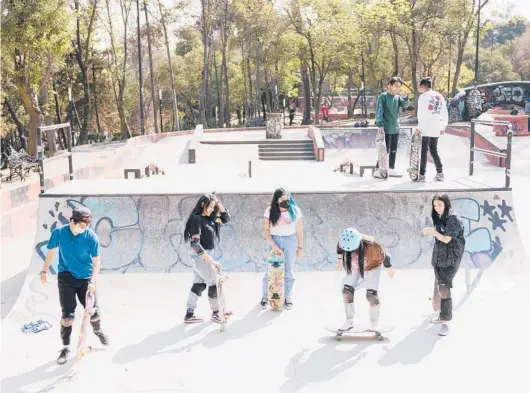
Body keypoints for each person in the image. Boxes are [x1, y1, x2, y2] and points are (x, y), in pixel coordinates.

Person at [40, 206, 109, 365]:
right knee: (67, 318)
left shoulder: (91, 237)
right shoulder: (59, 233)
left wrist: (92, 281)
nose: (84, 229)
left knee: (94, 313)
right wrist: (44, 271)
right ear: (72, 221)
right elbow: (51, 252)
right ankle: (65, 348)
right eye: (81, 226)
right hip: (66, 277)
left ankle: (98, 331)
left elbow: (96, 261)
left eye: (87, 226)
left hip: (86, 279)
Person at [183, 193, 231, 323]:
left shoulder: (210, 218)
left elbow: (226, 218)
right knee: (213, 282)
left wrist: (218, 202)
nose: (212, 209)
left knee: (199, 284)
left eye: (213, 207)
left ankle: (189, 314)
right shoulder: (197, 219)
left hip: (205, 256)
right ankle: (216, 312)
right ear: (203, 205)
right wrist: (212, 261)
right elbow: (195, 245)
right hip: (200, 256)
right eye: (210, 206)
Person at [423, 193, 465, 336]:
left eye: (440, 205)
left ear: (447, 204)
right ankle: (442, 314)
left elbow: (447, 239)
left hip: (451, 259)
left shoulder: (453, 219)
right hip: (439, 258)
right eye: (435, 205)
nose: (437, 208)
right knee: (441, 287)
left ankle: (446, 323)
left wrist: (432, 232)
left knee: (444, 289)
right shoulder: (439, 217)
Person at [336, 228, 395, 332]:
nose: (352, 252)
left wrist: (389, 269)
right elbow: (339, 249)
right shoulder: (343, 240)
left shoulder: (372, 246)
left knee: (371, 295)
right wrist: (339, 261)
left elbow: (385, 256)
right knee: (346, 291)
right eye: (350, 251)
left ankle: (374, 322)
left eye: (354, 249)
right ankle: (349, 321)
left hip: (373, 266)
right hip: (355, 266)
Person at [261, 188, 303, 310]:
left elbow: (300, 230)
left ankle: (287, 297)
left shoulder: (295, 211)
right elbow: (266, 229)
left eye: (287, 198)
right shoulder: (269, 211)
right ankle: (265, 296)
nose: (286, 200)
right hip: (275, 240)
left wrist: (300, 247)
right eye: (282, 199)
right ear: (277, 199)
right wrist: (273, 244)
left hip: (290, 241)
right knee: (270, 270)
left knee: (288, 270)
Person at [373, 76, 410, 179]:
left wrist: (406, 97)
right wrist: (379, 124)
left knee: (394, 150)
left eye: (399, 86)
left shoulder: (398, 98)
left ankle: (391, 168)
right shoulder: (383, 96)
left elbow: (406, 105)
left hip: (396, 127)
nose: (397, 88)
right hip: (385, 127)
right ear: (389, 86)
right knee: (384, 150)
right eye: (395, 86)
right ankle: (378, 169)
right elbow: (379, 110)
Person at [417, 77, 449, 182]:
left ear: (424, 86)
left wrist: (419, 127)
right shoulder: (439, 96)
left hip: (426, 127)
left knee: (424, 151)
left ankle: (421, 174)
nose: (419, 89)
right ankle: (440, 172)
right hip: (435, 126)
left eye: (420, 87)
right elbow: (444, 112)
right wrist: (443, 126)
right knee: (434, 150)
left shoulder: (423, 97)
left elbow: (421, 113)